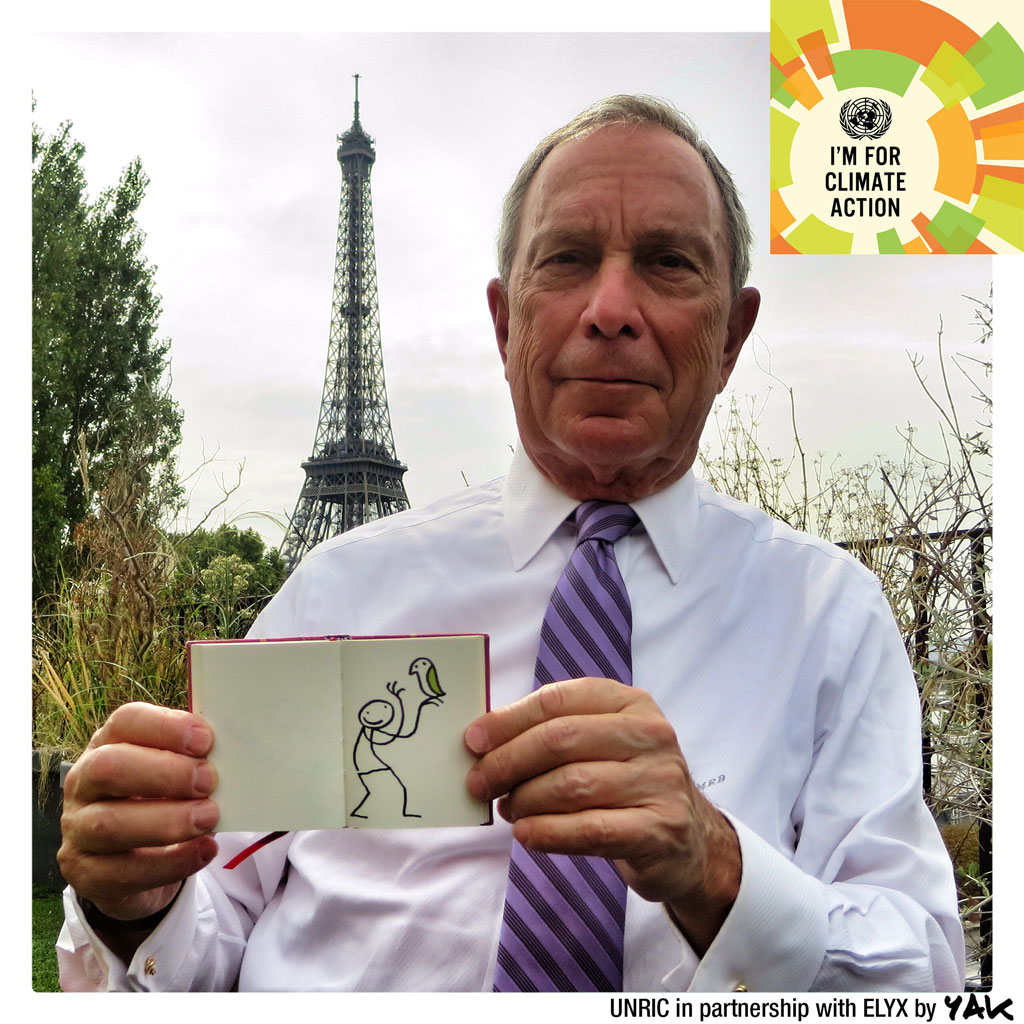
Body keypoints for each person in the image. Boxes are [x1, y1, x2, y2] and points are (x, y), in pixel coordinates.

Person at [56, 94, 965, 992]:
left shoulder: (829, 616)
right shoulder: (339, 589)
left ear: (732, 336)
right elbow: (212, 919)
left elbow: (924, 978)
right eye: (567, 259)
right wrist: (138, 902)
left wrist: (717, 866)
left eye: (668, 263)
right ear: (503, 324)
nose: (611, 308)